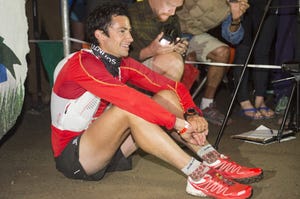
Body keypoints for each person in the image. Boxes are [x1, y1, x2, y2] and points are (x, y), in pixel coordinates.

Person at [50, 3, 263, 198]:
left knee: (166, 96)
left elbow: (174, 87)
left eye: (130, 31)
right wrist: (178, 124)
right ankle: (197, 174)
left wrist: (191, 112)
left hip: (110, 149)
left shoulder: (122, 63)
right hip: (75, 157)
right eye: (122, 31)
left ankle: (212, 158)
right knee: (129, 108)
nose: (130, 38)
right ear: (100, 35)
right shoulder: (82, 64)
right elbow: (130, 100)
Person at [176, 0, 250, 126]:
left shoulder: (234, 3)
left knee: (223, 52)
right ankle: (173, 107)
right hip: (169, 29)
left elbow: (233, 38)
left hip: (194, 36)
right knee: (187, 60)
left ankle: (206, 105)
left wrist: (236, 18)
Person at [232, 0, 278, 119]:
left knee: (263, 51)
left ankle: (260, 98)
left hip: (270, 4)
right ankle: (243, 99)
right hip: (244, 3)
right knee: (243, 50)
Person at [128, 0, 188, 81]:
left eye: (177, 7)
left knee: (175, 60)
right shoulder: (129, 15)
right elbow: (113, 56)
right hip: (129, 69)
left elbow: (177, 46)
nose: (173, 12)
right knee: (173, 62)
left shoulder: (173, 19)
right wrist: (148, 51)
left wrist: (180, 50)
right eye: (169, 5)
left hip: (155, 70)